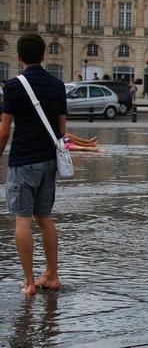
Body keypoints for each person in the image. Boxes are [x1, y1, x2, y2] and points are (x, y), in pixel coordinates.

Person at [0, 33, 67, 296]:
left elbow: (4, 130)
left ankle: (29, 281)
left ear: (18, 57)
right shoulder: (57, 85)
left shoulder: (14, 86)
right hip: (49, 161)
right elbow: (62, 128)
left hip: (23, 160)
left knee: (22, 219)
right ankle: (52, 275)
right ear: (44, 55)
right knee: (45, 218)